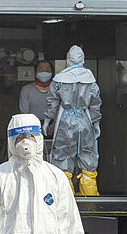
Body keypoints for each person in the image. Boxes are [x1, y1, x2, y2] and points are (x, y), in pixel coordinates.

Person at [43, 45, 102, 196]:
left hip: (65, 121)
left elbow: (52, 102)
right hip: (85, 120)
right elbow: (95, 104)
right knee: (88, 156)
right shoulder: (90, 79)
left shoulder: (59, 79)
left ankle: (65, 197)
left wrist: (48, 119)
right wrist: (96, 122)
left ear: (68, 59)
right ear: (83, 60)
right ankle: (90, 196)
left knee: (62, 156)